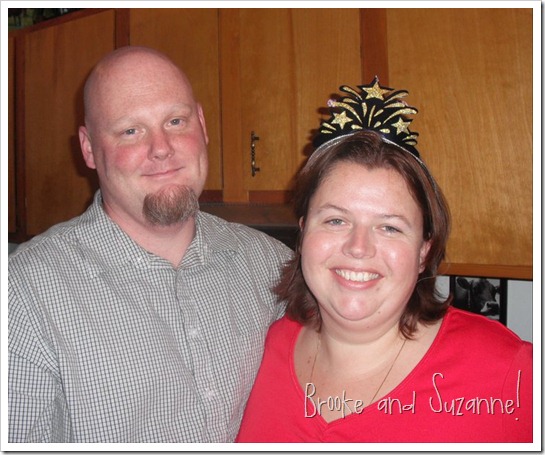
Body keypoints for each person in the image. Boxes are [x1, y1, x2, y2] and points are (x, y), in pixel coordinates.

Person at [8, 46, 292, 443]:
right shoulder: (23, 295)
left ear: (202, 126)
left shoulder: (273, 266)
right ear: (89, 149)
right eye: (131, 131)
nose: (161, 148)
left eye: (175, 121)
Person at [236, 79, 533, 443]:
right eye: (336, 220)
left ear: (424, 251)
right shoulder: (264, 350)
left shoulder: (508, 373)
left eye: (390, 227)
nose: (359, 248)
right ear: (303, 232)